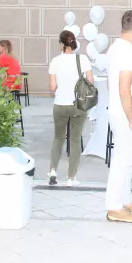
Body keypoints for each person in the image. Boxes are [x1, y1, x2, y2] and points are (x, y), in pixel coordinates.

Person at [105, 10, 132, 223]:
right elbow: (124, 89)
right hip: (125, 114)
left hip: (119, 111)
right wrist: (131, 117)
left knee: (129, 158)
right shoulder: (127, 52)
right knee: (123, 160)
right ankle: (114, 206)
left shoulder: (115, 48)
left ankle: (125, 200)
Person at [47, 31, 93, 187]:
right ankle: (71, 178)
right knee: (75, 140)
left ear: (61, 43)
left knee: (58, 138)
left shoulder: (55, 61)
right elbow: (90, 81)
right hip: (77, 105)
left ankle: (53, 170)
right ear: (74, 43)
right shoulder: (83, 59)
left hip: (60, 104)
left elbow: (52, 87)